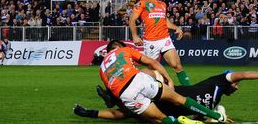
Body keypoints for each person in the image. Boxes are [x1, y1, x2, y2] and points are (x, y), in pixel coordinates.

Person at [93, 39, 226, 124]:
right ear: (119, 47)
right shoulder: (124, 50)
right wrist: (168, 79)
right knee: (179, 99)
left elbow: (116, 93)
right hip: (139, 80)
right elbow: (152, 62)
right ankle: (217, 116)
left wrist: (113, 101)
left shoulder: (101, 70)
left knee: (160, 119)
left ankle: (179, 121)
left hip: (126, 94)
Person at [80, 69, 258, 122]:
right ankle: (113, 94)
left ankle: (90, 112)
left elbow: (198, 117)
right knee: (151, 77)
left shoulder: (216, 101)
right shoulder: (218, 81)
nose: (237, 86)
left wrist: (217, 118)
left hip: (173, 111)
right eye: (235, 83)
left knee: (129, 114)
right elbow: (244, 75)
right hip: (171, 95)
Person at [129, 0, 191, 85]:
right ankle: (142, 88)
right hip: (151, 40)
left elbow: (165, 21)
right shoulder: (143, 2)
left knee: (177, 65)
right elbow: (132, 19)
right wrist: (135, 36)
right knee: (152, 70)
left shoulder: (163, 4)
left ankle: (190, 90)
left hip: (165, 38)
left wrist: (176, 28)